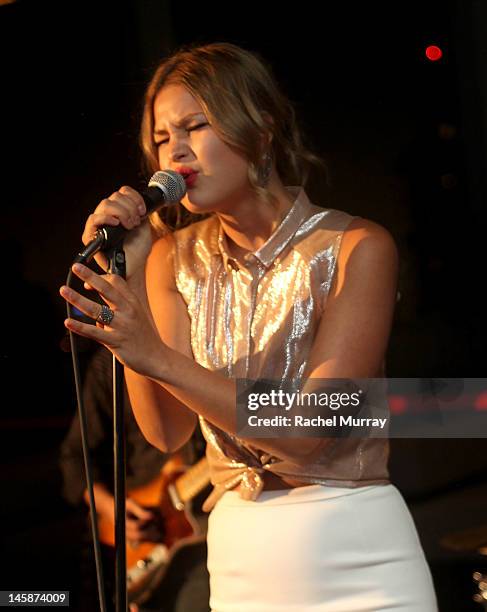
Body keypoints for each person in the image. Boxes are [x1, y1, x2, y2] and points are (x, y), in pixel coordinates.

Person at [59, 42, 438, 610]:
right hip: (242, 554)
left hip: (357, 548)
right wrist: (131, 279)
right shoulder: (171, 260)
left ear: (260, 131)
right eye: (162, 137)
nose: (174, 152)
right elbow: (166, 433)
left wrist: (155, 355)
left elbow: (312, 426)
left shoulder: (356, 247)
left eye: (195, 126)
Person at [60, 345, 210, 612]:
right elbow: (76, 458)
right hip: (149, 529)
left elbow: (283, 417)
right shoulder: (110, 362)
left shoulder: (212, 343)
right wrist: (113, 509)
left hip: (216, 523)